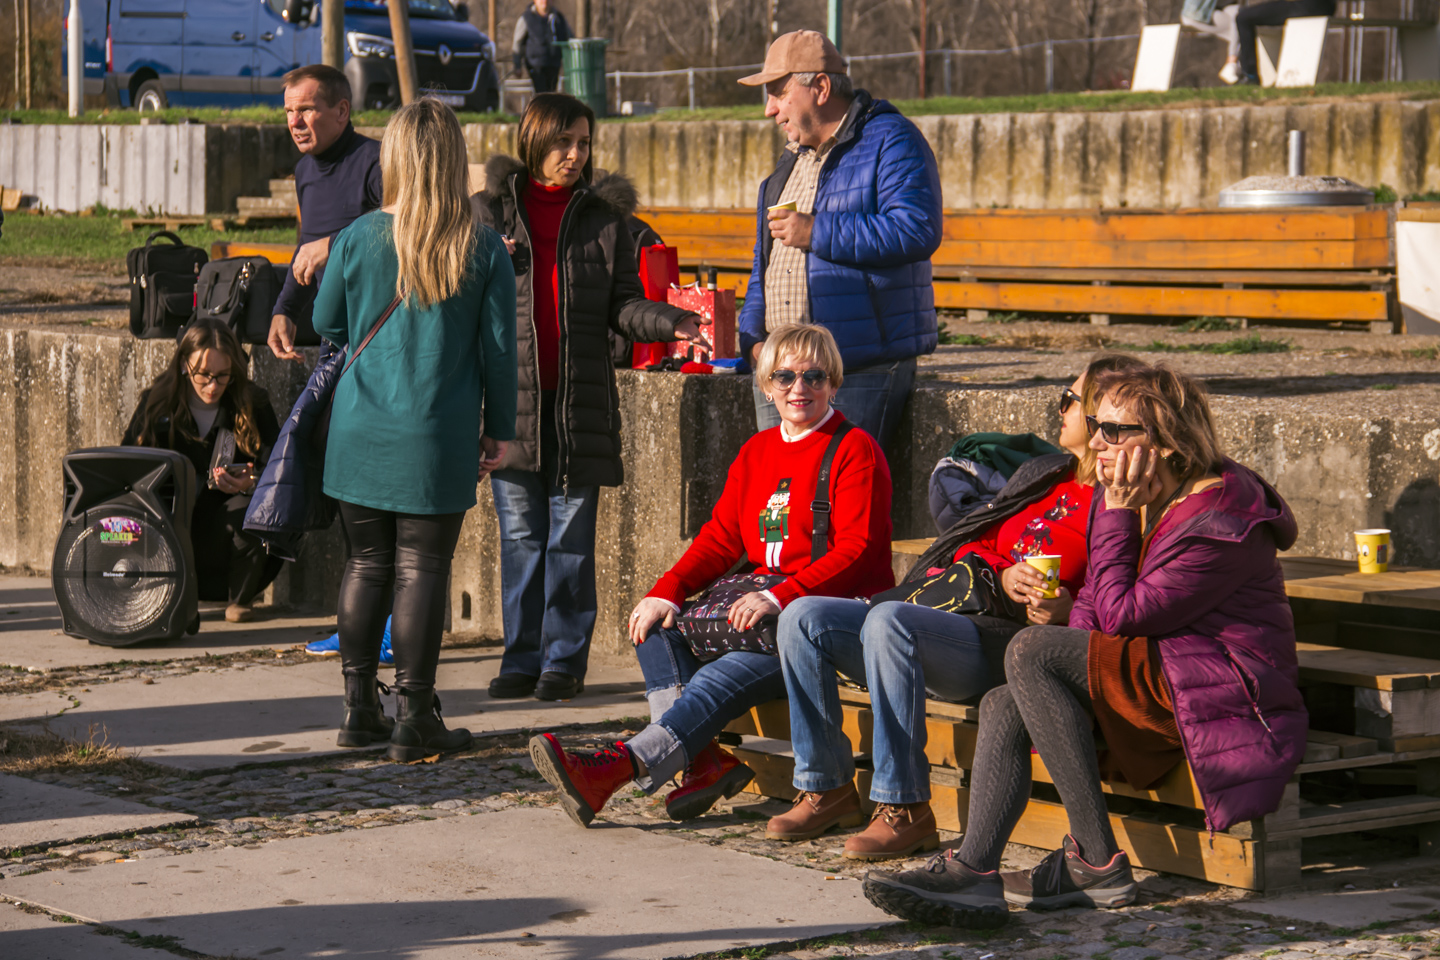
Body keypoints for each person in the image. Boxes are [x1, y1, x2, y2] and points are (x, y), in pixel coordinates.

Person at [863, 364, 1306, 928]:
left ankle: (1095, 861)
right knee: (1006, 697)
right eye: (1096, 425)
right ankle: (975, 872)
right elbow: (1099, 601)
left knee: (1029, 650)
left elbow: (1124, 618)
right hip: (1156, 670)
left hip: (1218, 690)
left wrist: (1117, 518)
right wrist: (1065, 624)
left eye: (1116, 431)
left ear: (1166, 441)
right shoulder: (1123, 494)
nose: (1097, 441)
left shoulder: (1220, 518)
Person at [769, 353, 1148, 862]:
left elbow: (1119, 591)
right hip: (962, 613)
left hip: (1010, 644)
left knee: (888, 621)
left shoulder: (1118, 499)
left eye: (1070, 400)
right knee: (804, 617)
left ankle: (904, 807)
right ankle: (827, 786)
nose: (1059, 408)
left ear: (1103, 415)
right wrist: (1004, 570)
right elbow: (971, 543)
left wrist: (1067, 607)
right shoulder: (1046, 474)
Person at [528, 323, 896, 828]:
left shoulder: (856, 450)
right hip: (763, 609)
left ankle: (616, 768)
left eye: (813, 376)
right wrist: (667, 590)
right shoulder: (757, 451)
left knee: (723, 673)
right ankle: (702, 761)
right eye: (784, 376)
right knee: (654, 626)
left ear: (833, 383)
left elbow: (857, 550)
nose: (799, 388)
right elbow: (722, 538)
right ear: (767, 385)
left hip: (825, 621)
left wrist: (785, 596)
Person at [475, 93, 708, 703]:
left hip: (579, 407)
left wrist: (670, 322)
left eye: (582, 142)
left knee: (571, 541)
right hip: (509, 407)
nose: (574, 155)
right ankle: (520, 657)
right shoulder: (489, 214)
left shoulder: (606, 222)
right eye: (561, 142)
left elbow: (623, 307)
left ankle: (562, 662)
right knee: (521, 537)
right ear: (532, 141)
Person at [311, 97, 518, 760]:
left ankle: (355, 708)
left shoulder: (358, 236)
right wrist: (502, 430)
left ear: (394, 157)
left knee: (365, 562)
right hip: (436, 431)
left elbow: (327, 322)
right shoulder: (481, 245)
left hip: (358, 428)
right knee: (422, 568)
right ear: (455, 159)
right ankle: (415, 712)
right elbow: (499, 352)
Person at [735, 30, 943, 456]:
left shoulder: (891, 139)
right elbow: (766, 261)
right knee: (780, 502)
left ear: (821, 87)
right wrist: (754, 338)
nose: (770, 110)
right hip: (779, 368)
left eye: (778, 93)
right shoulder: (790, 159)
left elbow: (916, 228)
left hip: (856, 369)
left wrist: (816, 231)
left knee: (841, 502)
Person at [122, 318, 283, 624]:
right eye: (204, 375)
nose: (213, 386)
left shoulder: (252, 402)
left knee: (261, 505)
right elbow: (129, 468)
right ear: (184, 365)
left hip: (226, 529)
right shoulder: (157, 405)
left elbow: (277, 467)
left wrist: (251, 482)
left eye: (223, 376)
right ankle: (163, 589)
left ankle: (240, 598)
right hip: (169, 526)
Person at [268, 64, 385, 363]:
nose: (294, 122)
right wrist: (286, 310)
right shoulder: (304, 171)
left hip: (382, 334)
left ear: (342, 111)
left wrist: (333, 246)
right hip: (333, 336)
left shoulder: (378, 164)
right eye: (288, 111)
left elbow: (405, 231)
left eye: (306, 109)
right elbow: (308, 246)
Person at [1235, 0, 1337, 85]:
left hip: (1304, 6)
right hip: (1326, 7)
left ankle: (1250, 75)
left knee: (1243, 17)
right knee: (1246, 15)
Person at [512, 0, 572, 95]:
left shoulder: (558, 18)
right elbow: (517, 43)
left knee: (551, 93)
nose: (545, 1)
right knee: (542, 94)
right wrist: (517, 65)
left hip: (554, 63)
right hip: (535, 65)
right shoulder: (526, 18)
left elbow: (569, 38)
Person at [1181, 0, 1242, 84]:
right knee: (1240, 22)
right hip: (1199, 14)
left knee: (1240, 18)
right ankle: (1233, 63)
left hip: (1222, 10)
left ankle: (1234, 65)